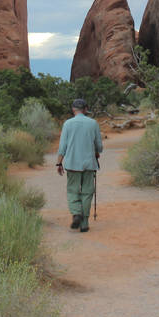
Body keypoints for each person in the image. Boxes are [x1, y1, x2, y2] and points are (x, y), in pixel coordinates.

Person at [56, 98, 103, 232]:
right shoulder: (93, 123)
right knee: (87, 192)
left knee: (72, 190)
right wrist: (96, 152)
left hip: (72, 163)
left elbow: (62, 147)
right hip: (89, 164)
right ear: (86, 109)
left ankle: (76, 213)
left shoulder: (67, 124)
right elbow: (99, 146)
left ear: (73, 109)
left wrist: (59, 162)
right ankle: (84, 224)